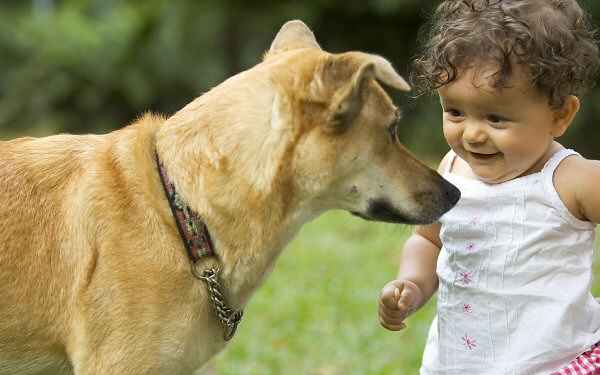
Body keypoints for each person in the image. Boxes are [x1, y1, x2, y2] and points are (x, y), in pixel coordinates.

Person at [378, 1, 600, 374]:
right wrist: (412, 284)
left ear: (560, 115)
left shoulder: (571, 180)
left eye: (496, 118)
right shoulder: (450, 171)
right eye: (455, 112)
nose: (473, 133)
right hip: (459, 362)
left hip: (556, 362)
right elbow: (428, 240)